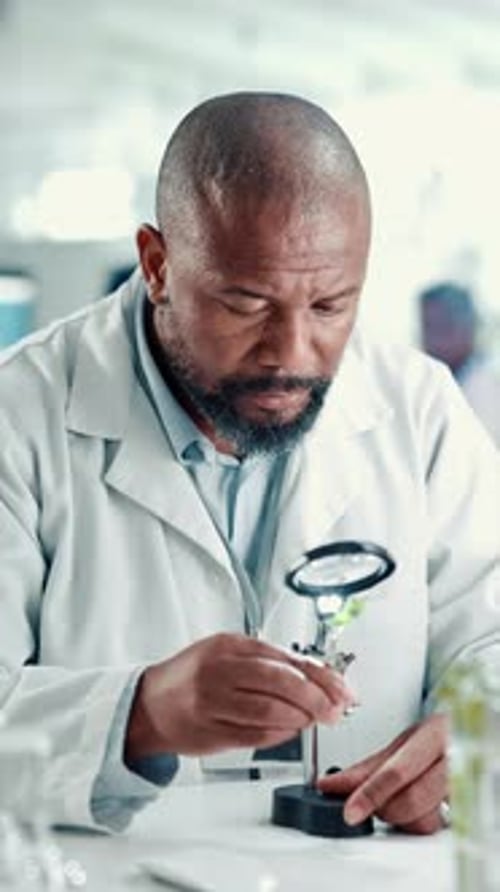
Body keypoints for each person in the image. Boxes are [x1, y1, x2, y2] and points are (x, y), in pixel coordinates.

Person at [0, 92, 498, 836]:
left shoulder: (419, 409)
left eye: (331, 306)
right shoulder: (20, 415)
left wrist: (475, 730)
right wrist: (139, 714)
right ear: (158, 263)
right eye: (247, 303)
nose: (291, 354)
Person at [419, 280, 500, 446]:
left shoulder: (483, 391)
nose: (432, 341)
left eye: (441, 328)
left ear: (467, 329)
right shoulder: (441, 381)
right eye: (427, 328)